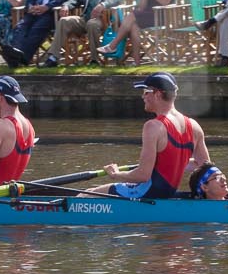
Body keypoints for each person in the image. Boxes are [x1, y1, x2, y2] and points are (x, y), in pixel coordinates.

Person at [90, 72, 213, 200]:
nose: (143, 96)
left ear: (157, 94)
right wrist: (175, 161)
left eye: (146, 91)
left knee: (89, 193)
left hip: (147, 193)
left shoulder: (153, 127)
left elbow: (143, 175)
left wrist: (116, 174)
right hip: (167, 194)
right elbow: (205, 167)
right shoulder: (194, 126)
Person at [1, 0, 79, 66]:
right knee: (20, 27)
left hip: (51, 14)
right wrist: (31, 6)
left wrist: (46, 6)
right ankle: (14, 55)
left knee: (36, 29)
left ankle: (24, 58)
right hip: (33, 12)